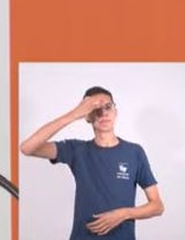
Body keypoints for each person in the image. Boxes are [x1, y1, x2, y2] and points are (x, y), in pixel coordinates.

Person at [19, 86, 163, 239]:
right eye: (96, 109)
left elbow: (157, 206)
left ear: (115, 111)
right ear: (87, 116)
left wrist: (124, 214)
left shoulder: (134, 152)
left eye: (108, 107)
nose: (103, 113)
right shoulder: (76, 149)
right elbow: (27, 148)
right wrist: (74, 114)